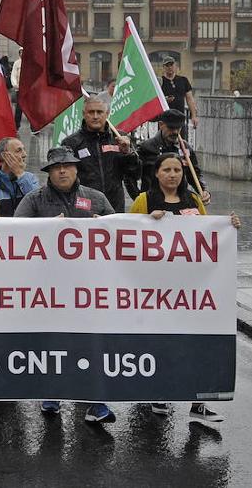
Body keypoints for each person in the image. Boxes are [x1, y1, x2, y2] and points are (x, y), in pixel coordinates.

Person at [128, 153, 239, 424]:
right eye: (167, 169)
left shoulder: (193, 200)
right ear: (156, 173)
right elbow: (125, 233)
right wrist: (145, 222)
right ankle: (160, 393)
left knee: (194, 343)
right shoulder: (145, 200)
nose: (173, 174)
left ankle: (199, 402)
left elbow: (208, 236)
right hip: (155, 288)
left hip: (190, 288)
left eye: (177, 169)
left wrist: (229, 225)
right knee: (161, 343)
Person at [15, 146, 116, 425]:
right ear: (49, 172)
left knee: (91, 345)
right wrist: (44, 227)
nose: (62, 171)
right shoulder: (33, 200)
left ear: (76, 169)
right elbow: (13, 235)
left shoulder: (96, 199)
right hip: (48, 290)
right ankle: (52, 393)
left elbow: (121, 233)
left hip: (89, 289)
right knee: (53, 342)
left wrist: (106, 226)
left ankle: (97, 403)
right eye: (56, 167)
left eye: (67, 166)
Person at [61, 95, 139, 212]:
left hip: (114, 205)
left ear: (107, 114)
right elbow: (65, 177)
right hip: (85, 205)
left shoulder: (120, 138)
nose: (95, 116)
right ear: (84, 114)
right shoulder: (71, 142)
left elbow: (135, 174)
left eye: (99, 112)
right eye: (91, 112)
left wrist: (128, 153)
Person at [136, 108, 208, 204]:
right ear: (161, 125)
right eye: (171, 128)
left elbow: (195, 173)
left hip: (179, 201)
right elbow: (131, 176)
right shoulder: (145, 147)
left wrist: (204, 191)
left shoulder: (185, 148)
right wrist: (139, 199)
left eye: (178, 128)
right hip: (152, 203)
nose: (175, 132)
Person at [0, 137, 40, 217]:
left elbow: (38, 205)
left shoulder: (31, 178)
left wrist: (20, 175)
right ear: (4, 156)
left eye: (24, 150)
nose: (24, 155)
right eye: (18, 151)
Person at [159, 56, 197, 134]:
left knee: (181, 142)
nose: (170, 67)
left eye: (171, 65)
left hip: (180, 119)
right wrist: (165, 100)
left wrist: (194, 116)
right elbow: (156, 100)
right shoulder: (160, 82)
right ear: (163, 67)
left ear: (175, 66)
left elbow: (189, 99)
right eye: (167, 65)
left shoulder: (183, 80)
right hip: (166, 119)